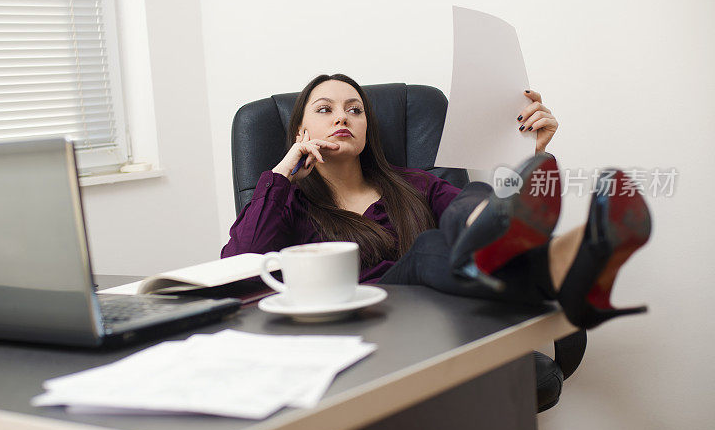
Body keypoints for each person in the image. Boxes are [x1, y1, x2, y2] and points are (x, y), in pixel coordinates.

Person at [221, 74, 650, 329]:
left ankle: (565, 255)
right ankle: (567, 259)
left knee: (476, 197)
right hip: (357, 328)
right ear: (300, 132)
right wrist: (281, 173)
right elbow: (237, 270)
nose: (341, 117)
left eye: (355, 110)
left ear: (368, 127)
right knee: (430, 246)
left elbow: (473, 213)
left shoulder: (414, 184)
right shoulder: (287, 203)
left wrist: (528, 154)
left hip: (441, 322)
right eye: (324, 109)